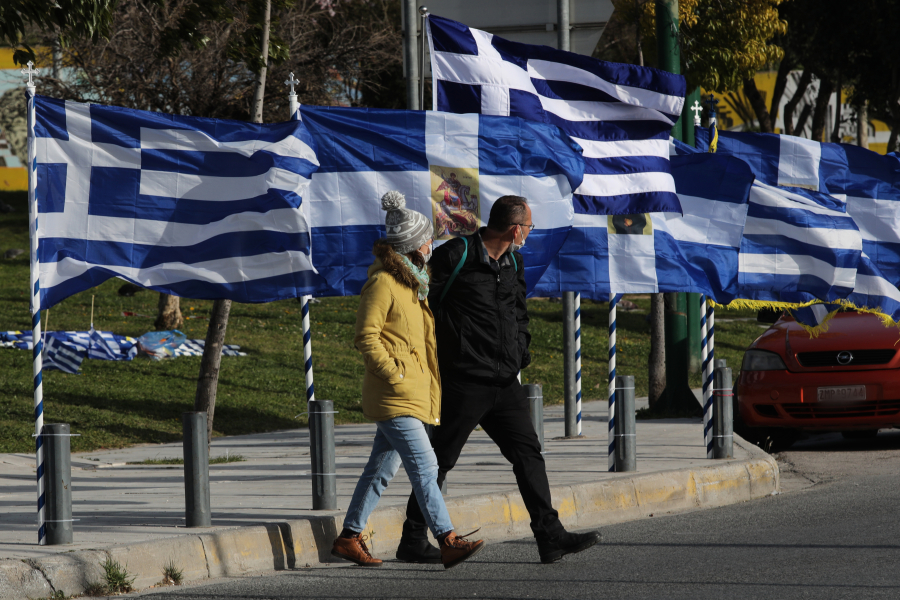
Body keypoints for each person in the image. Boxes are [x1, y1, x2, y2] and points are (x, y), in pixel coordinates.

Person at [395, 195, 601, 565]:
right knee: (440, 460)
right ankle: (412, 538)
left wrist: (521, 350)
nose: (529, 234)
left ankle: (550, 537)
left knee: (528, 454)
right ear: (515, 228)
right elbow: (421, 307)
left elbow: (518, 311)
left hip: (505, 383)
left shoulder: (513, 262)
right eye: (529, 227)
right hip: (464, 381)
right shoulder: (455, 255)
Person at [331, 190, 484, 570]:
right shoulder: (384, 282)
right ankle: (447, 539)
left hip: (409, 393)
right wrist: (395, 374)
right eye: (428, 240)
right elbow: (366, 336)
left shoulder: (413, 284)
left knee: (381, 470)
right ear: (414, 246)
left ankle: (350, 537)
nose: (432, 245)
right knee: (426, 466)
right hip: (394, 394)